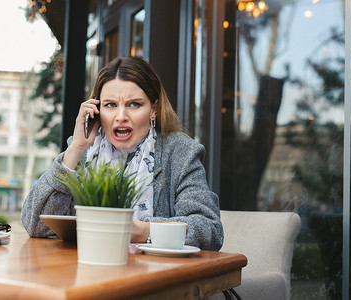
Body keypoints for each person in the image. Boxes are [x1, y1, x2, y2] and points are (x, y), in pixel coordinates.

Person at [21, 56, 224, 251]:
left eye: (134, 104)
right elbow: (34, 224)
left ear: (153, 109)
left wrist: (143, 231)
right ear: (97, 110)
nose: (121, 117)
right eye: (110, 105)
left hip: (156, 277)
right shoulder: (83, 152)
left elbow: (209, 229)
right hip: (88, 271)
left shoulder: (179, 151)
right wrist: (75, 149)